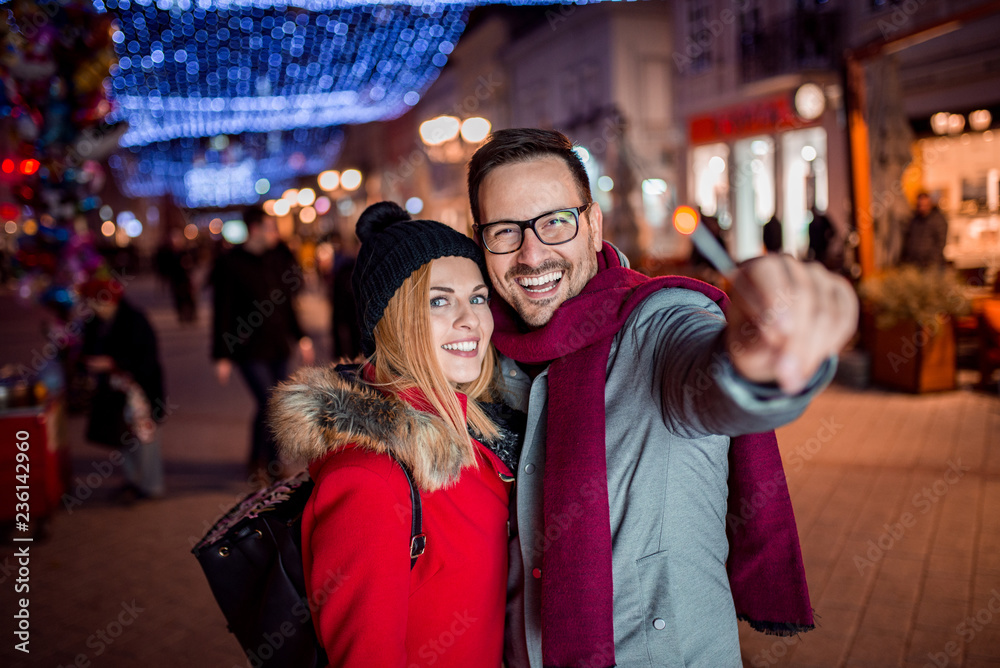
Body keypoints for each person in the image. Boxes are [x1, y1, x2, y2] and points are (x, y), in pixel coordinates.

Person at [466, 128, 859, 667]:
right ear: (480, 240)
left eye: (556, 221)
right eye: (506, 231)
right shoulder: (490, 356)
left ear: (593, 225)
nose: (533, 254)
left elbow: (710, 379)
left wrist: (761, 357)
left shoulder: (655, 321)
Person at [268, 201, 522, 666]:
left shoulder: (480, 432)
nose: (470, 319)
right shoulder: (370, 478)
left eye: (479, 297)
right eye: (439, 300)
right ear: (392, 320)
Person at [211, 205, 314, 482]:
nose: (276, 233)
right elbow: (223, 310)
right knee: (267, 401)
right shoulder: (231, 264)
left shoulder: (276, 259)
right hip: (248, 348)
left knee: (275, 403)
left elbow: (287, 305)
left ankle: (270, 461)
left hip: (279, 346)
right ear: (254, 229)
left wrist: (301, 337)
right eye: (270, 227)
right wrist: (221, 355)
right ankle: (258, 461)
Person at [80, 276, 166, 502]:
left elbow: (146, 358)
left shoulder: (134, 320)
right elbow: (86, 348)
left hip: (139, 391)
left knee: (144, 438)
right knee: (123, 437)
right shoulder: (95, 323)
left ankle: (150, 485)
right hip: (115, 393)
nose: (92, 307)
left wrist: (113, 362)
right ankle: (133, 481)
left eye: (95, 302)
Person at [900, 192, 948, 268]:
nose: (922, 208)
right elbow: (909, 240)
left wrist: (932, 261)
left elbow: (940, 244)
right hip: (915, 265)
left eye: (925, 205)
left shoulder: (938, 220)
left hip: (931, 265)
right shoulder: (914, 220)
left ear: (930, 205)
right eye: (920, 206)